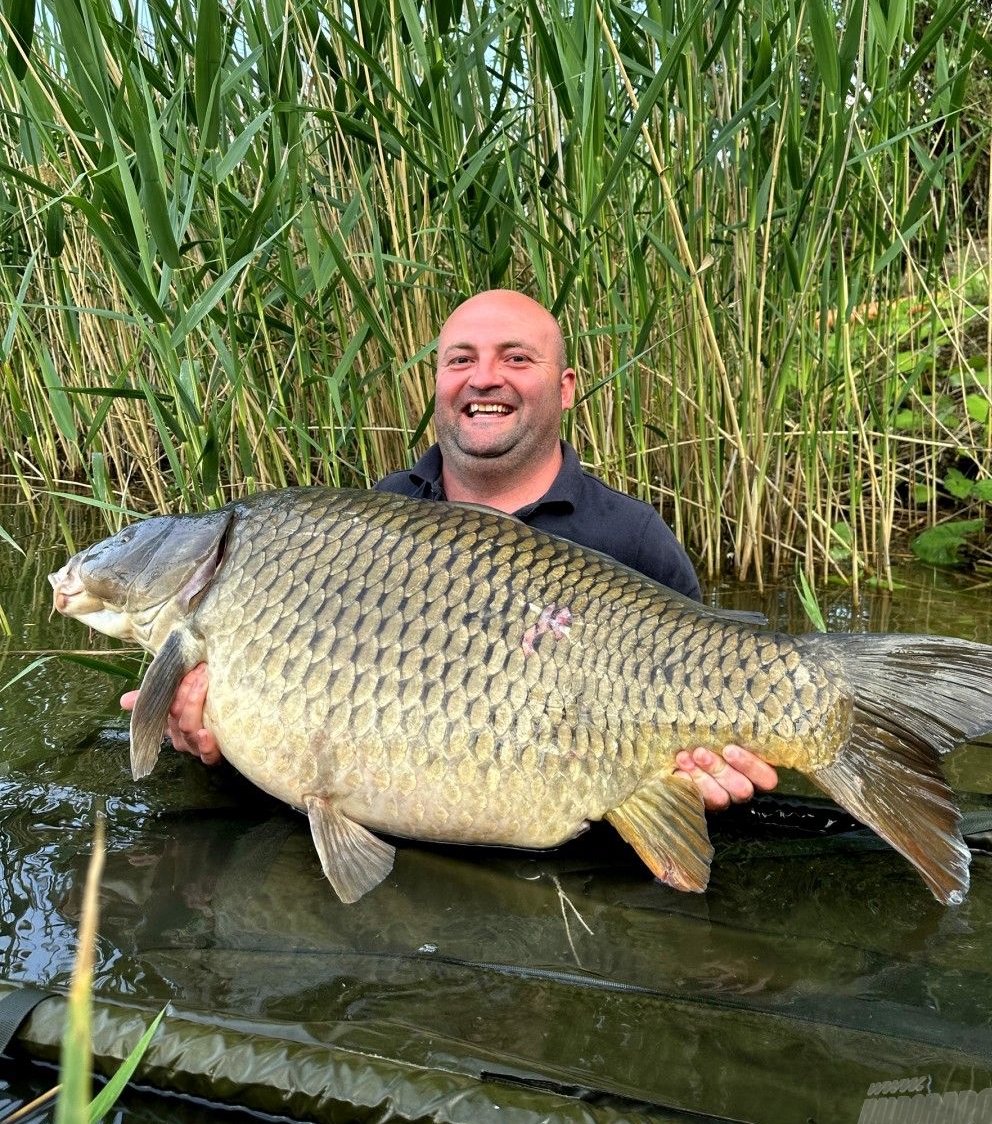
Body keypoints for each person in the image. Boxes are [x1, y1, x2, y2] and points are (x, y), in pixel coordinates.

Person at [122, 290, 777, 812]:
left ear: (567, 385)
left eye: (516, 359)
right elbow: (308, 713)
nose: (483, 379)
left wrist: (705, 780)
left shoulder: (634, 540)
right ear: (437, 381)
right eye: (460, 360)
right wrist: (208, 738)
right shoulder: (368, 525)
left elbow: (703, 721)